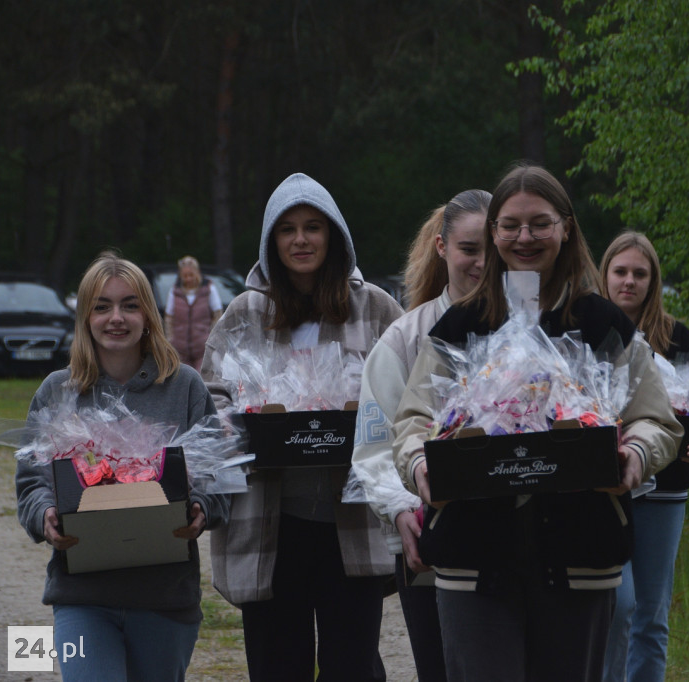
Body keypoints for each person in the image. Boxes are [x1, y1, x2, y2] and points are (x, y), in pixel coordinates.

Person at [392, 163, 682, 682]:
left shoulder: (602, 324)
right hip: (471, 559)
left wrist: (633, 458)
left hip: (580, 556)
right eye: (510, 225)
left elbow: (655, 420)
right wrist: (420, 467)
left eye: (540, 223)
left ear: (566, 227)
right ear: (493, 233)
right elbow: (413, 419)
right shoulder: (460, 324)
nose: (524, 237)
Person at [199, 172, 404, 681]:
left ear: (334, 234)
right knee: (276, 664)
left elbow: (409, 391)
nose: (301, 239)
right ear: (272, 241)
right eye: (287, 229)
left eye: (313, 226)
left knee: (352, 664)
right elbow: (213, 394)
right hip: (271, 520)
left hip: (351, 523)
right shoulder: (245, 311)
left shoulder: (375, 306)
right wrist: (237, 426)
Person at [15, 251, 229, 682]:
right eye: (102, 306)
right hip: (81, 595)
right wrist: (45, 516)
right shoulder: (58, 391)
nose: (117, 317)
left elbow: (219, 473)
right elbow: (32, 481)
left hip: (164, 596)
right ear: (85, 317)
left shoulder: (185, 386)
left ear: (149, 315)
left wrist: (203, 507)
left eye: (130, 305)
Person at [352, 189, 491, 682]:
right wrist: (400, 510)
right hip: (429, 544)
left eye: (490, 249)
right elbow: (373, 448)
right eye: (469, 249)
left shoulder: (535, 330)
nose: (480, 263)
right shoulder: (405, 339)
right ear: (441, 247)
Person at [599, 231, 689, 682]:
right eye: (620, 272)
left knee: (651, 616)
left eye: (640, 273)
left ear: (653, 280)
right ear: (605, 274)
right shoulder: (585, 330)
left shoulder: (677, 337)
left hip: (667, 489)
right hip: (605, 486)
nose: (629, 282)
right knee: (618, 606)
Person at [164, 255, 223, 371]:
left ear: (197, 273)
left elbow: (217, 314)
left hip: (202, 348)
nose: (188, 279)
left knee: (201, 379)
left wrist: (213, 338)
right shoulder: (175, 290)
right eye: (185, 276)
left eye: (191, 275)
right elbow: (169, 318)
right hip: (179, 349)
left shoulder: (208, 288)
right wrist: (170, 340)